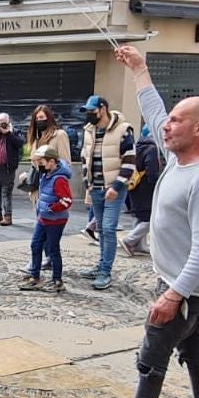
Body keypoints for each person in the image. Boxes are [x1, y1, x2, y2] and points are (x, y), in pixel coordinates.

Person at [86, 45, 199, 398]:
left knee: (151, 360)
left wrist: (174, 296)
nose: (165, 125)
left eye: (176, 120)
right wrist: (140, 70)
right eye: (169, 120)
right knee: (197, 355)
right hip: (183, 286)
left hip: (183, 289)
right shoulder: (178, 157)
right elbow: (153, 110)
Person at [77, 94, 136, 291]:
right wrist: (88, 183)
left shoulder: (123, 130)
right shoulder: (88, 131)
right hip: (96, 189)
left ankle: (105, 271)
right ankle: (101, 265)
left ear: (103, 108)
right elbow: (85, 158)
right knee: (101, 229)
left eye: (92, 111)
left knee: (109, 229)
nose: (89, 115)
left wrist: (117, 186)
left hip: (114, 189)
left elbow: (129, 161)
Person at [19, 145, 72, 293]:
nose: (39, 165)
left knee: (53, 250)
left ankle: (57, 280)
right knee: (36, 245)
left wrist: (51, 208)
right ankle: (35, 276)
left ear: (52, 161)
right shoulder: (46, 175)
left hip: (55, 221)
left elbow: (66, 201)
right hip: (44, 218)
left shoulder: (59, 179)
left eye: (41, 162)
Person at [121, 125, 163, 257]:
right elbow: (151, 170)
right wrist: (156, 185)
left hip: (134, 185)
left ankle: (140, 245)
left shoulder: (136, 146)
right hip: (146, 188)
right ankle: (129, 240)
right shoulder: (151, 149)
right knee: (150, 218)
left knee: (139, 215)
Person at [0, 113, 24, 226]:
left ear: (9, 121)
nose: (1, 124)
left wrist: (9, 133)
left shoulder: (15, 132)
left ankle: (8, 216)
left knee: (6, 194)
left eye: (3, 122)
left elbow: (20, 143)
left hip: (7, 169)